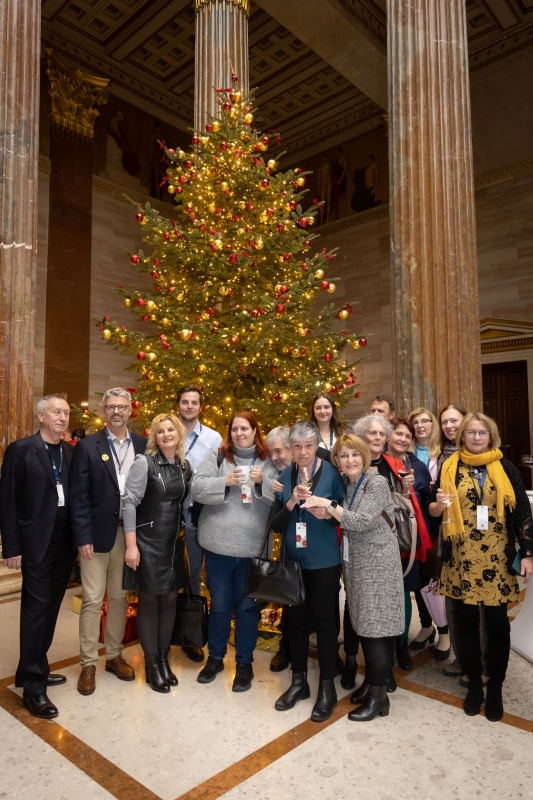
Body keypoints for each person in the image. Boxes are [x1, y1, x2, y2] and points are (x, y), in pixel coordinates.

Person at [428, 412, 533, 721]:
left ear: (491, 437)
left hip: (497, 559)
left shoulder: (506, 468)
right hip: (461, 558)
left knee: (498, 624)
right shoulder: (449, 467)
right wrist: (439, 506)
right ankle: (475, 684)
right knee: (466, 623)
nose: (476, 437)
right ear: (461, 436)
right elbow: (433, 509)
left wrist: (527, 552)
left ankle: (496, 686)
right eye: (470, 432)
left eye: (482, 432)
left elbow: (523, 513)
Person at [303, 434, 404, 721]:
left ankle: (379, 698)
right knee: (366, 628)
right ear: (337, 461)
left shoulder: (377, 483)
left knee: (374, 632)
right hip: (357, 565)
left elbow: (360, 521)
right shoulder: (349, 484)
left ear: (365, 456)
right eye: (343, 456)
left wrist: (330, 506)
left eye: (355, 454)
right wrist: (327, 513)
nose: (350, 460)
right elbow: (346, 518)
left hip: (378, 564)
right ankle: (373, 687)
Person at [0, 394, 77, 719]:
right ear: (41, 416)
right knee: (34, 612)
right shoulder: (21, 450)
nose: (63, 417)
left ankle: (33, 669)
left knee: (50, 610)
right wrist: (12, 547)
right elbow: (8, 501)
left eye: (66, 413)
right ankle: (33, 689)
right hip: (34, 544)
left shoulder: (70, 452)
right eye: (57, 412)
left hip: (64, 546)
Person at [192, 412, 277, 692]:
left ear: (255, 430)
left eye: (245, 428)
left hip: (251, 548)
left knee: (246, 607)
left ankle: (244, 663)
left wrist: (261, 481)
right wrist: (225, 482)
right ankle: (215, 658)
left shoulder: (268, 461)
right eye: (235, 429)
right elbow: (197, 489)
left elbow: (281, 497)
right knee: (219, 605)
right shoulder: (218, 457)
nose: (240, 433)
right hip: (218, 547)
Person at [70, 388, 146, 696]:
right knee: (91, 599)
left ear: (131, 411)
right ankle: (88, 663)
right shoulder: (88, 446)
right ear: (103, 411)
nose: (117, 411)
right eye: (111, 406)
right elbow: (77, 496)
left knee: (118, 597)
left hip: (128, 534)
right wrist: (82, 536)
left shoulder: (142, 444)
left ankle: (113, 656)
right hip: (95, 536)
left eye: (122, 406)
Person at [272, 421, 346, 723]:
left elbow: (342, 517)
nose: (302, 452)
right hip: (294, 563)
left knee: (327, 625)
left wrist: (326, 512)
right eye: (297, 446)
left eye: (308, 446)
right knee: (297, 624)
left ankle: (327, 687)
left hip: (325, 561)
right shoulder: (284, 475)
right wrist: (290, 502)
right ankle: (299, 681)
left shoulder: (332, 474)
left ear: (317, 446)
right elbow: (276, 525)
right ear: (291, 448)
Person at [351, 415, 432, 672]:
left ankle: (399, 647)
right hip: (358, 544)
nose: (376, 438)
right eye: (371, 433)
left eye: (380, 434)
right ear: (362, 436)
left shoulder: (395, 463)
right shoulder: (351, 462)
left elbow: (405, 505)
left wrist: (406, 487)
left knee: (396, 596)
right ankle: (355, 658)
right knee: (359, 601)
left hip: (392, 541)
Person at [122, 414, 192, 693]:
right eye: (160, 431)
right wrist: (131, 545)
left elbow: (185, 504)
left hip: (175, 543)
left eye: (170, 429)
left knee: (170, 600)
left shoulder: (184, 466)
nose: (166, 434)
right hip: (148, 543)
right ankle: (151, 664)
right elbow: (129, 504)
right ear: (154, 436)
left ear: (179, 433)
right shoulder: (144, 463)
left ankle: (163, 659)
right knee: (150, 601)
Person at [176, 384, 222, 662]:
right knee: (178, 575)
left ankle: (198, 634)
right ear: (178, 405)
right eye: (184, 402)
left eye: (194, 402)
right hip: (169, 515)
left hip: (201, 515)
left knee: (198, 574)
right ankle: (178, 633)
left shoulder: (213, 438)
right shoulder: (168, 432)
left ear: (200, 407)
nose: (189, 406)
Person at [386, 417, 435, 665]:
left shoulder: (417, 466)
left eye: (408, 436)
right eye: (398, 434)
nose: (403, 439)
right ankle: (385, 642)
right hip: (381, 537)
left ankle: (401, 644)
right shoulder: (376, 462)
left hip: (408, 537)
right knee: (386, 592)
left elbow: (425, 503)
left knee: (405, 590)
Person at [407, 407, 451, 659]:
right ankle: (426, 627)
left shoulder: (442, 454)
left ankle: (444, 629)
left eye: (426, 421)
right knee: (418, 578)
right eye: (416, 422)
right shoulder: (407, 453)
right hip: (415, 522)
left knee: (434, 577)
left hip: (438, 522)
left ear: (433, 424)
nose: (421, 425)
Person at [265, 426, 293, 673]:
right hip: (289, 547)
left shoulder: (319, 467)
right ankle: (285, 648)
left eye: (278, 451)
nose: (274, 458)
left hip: (320, 551)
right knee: (288, 598)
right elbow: (275, 522)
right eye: (270, 452)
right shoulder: (278, 479)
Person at [310, 391, 343, 463]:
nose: (322, 411)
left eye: (326, 407)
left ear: (332, 409)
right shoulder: (307, 436)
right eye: (318, 408)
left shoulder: (340, 435)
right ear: (314, 411)